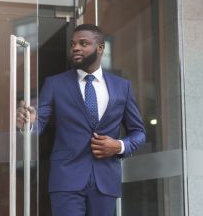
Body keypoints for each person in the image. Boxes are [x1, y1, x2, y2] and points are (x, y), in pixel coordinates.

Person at [17, 24, 146, 216]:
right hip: (66, 178)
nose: (76, 48)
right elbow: (39, 124)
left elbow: (139, 133)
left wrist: (118, 146)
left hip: (105, 180)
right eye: (73, 44)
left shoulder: (122, 87)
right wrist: (29, 123)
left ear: (100, 47)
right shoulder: (55, 84)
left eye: (83, 43)